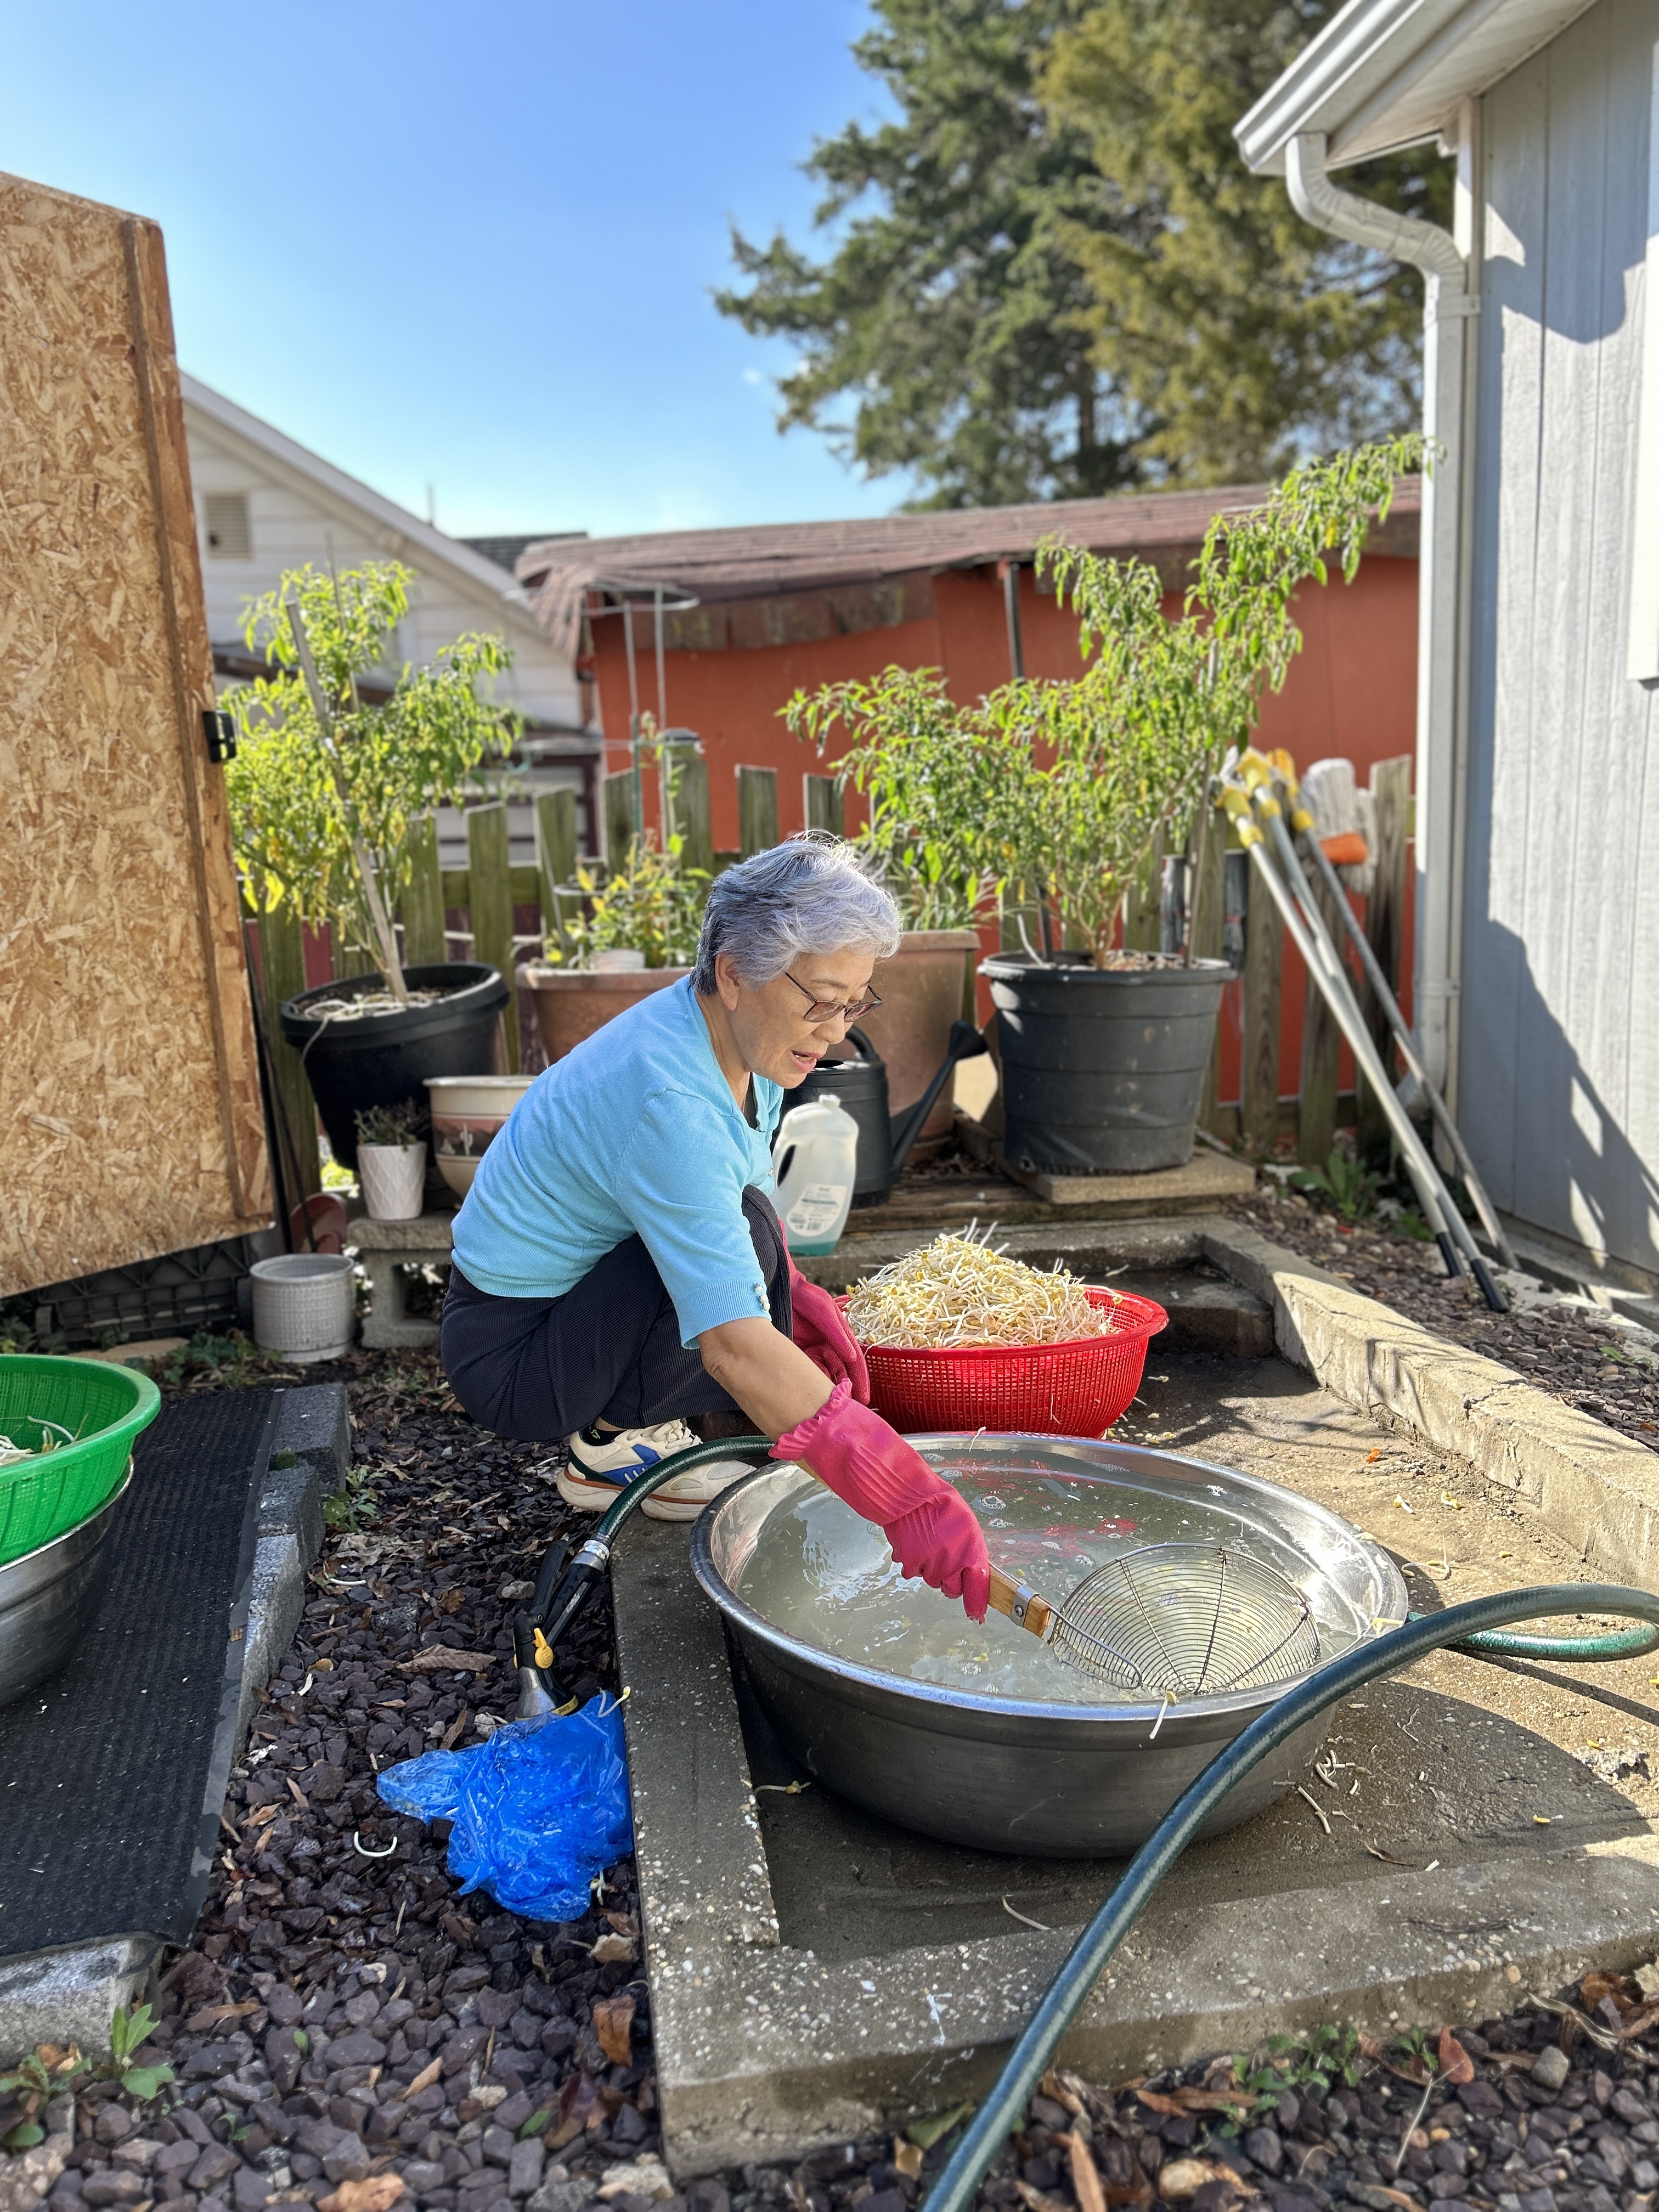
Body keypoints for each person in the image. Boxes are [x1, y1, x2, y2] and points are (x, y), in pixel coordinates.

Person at [440, 838, 990, 1621]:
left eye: (855, 1002)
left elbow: (746, 1204)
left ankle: (651, 1420)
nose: (836, 1031)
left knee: (753, 1239)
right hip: (516, 1358)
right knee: (740, 1277)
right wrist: (905, 1498)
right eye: (820, 1000)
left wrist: (798, 1297)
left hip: (574, 1313)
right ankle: (611, 1444)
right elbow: (733, 1343)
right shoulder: (671, 1100)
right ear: (734, 974)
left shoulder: (738, 1045)